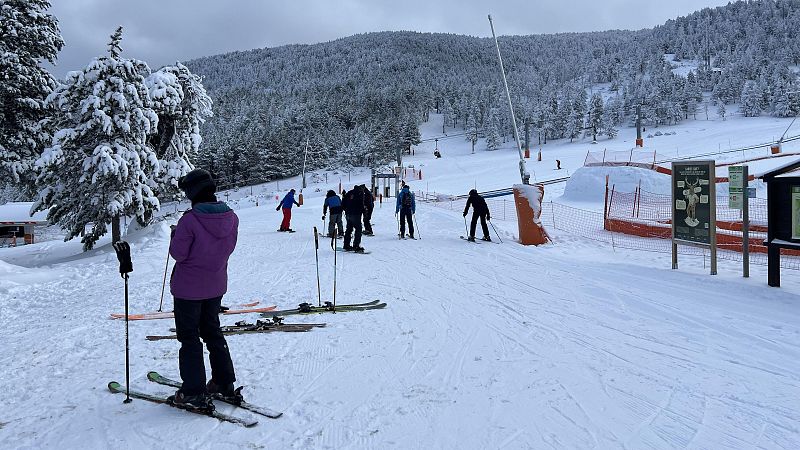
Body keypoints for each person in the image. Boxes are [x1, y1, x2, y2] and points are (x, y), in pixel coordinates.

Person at [169, 168, 240, 411]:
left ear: (192, 192)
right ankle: (223, 382)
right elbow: (228, 248)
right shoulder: (231, 217)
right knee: (212, 332)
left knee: (189, 338)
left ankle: (193, 391)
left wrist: (176, 235)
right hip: (216, 284)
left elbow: (178, 254)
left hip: (188, 289)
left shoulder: (189, 220)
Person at [341, 185, 365, 252]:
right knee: (358, 229)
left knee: (349, 229)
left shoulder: (349, 193)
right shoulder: (360, 193)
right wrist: (364, 212)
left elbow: (343, 202)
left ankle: (346, 245)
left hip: (348, 214)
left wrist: (345, 209)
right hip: (356, 214)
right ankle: (356, 246)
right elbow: (361, 204)